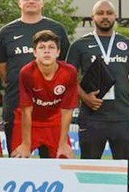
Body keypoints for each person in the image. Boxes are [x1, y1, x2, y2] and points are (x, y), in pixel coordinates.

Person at [66, 0, 129, 192]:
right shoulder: (80, 45)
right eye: (100, 13)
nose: (105, 16)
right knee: (89, 166)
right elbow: (69, 78)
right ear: (93, 17)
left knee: (127, 167)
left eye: (109, 13)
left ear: (115, 17)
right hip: (92, 117)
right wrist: (85, 97)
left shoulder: (127, 44)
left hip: (123, 116)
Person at [0, 0, 70, 155]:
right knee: (19, 160)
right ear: (19, 3)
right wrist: (20, 83)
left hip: (50, 105)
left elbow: (64, 63)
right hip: (16, 103)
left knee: (52, 162)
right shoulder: (6, 32)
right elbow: (0, 65)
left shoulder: (57, 29)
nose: (31, 2)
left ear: (43, 3)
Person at [11, 30, 78, 159]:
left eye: (51, 47)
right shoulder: (27, 72)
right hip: (29, 121)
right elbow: (26, 110)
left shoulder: (69, 72)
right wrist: (26, 144)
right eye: (42, 47)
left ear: (58, 52)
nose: (47, 51)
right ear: (35, 52)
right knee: (19, 159)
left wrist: (63, 143)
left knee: (64, 158)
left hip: (54, 121)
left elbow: (67, 110)